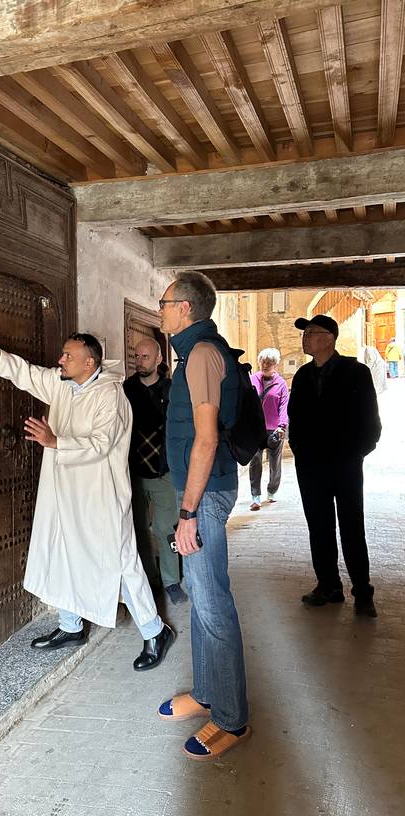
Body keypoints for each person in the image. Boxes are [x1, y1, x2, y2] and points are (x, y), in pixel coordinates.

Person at [0, 322, 174, 671]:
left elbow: (100, 444)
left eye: (68, 355)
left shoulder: (111, 396)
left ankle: (155, 631)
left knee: (122, 561)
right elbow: (29, 374)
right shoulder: (63, 384)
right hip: (63, 490)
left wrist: (55, 442)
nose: (60, 359)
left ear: (90, 364)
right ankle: (71, 626)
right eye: (63, 354)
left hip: (100, 496)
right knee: (60, 550)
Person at [156, 270, 251, 762]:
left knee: (213, 603)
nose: (161, 309)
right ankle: (209, 692)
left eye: (165, 301)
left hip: (205, 495)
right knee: (198, 593)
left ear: (186, 309)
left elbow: (208, 439)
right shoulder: (193, 354)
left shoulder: (203, 355)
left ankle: (232, 718)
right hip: (194, 492)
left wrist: (188, 512)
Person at [288, 314, 381, 618]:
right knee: (319, 527)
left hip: (345, 466)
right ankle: (329, 585)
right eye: (305, 334)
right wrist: (300, 452)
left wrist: (354, 454)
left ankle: (362, 591)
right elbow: (296, 420)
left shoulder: (356, 372)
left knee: (352, 527)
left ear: (329, 338)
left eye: (311, 333)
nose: (305, 338)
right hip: (311, 468)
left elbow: (370, 423)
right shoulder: (302, 376)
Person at [123, 337, 187, 605]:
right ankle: (150, 580)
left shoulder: (173, 390)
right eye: (137, 356)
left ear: (159, 359)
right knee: (138, 529)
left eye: (145, 357)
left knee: (166, 528)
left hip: (163, 472)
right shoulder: (126, 390)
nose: (139, 362)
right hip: (134, 473)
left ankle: (172, 580)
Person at [249, 348, 289, 511]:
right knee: (255, 461)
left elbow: (284, 406)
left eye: (269, 362)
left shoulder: (281, 384)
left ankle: (272, 490)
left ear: (275, 365)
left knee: (274, 463)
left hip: (274, 429)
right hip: (255, 429)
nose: (265, 365)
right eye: (263, 362)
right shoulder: (252, 380)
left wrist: (282, 426)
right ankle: (255, 496)